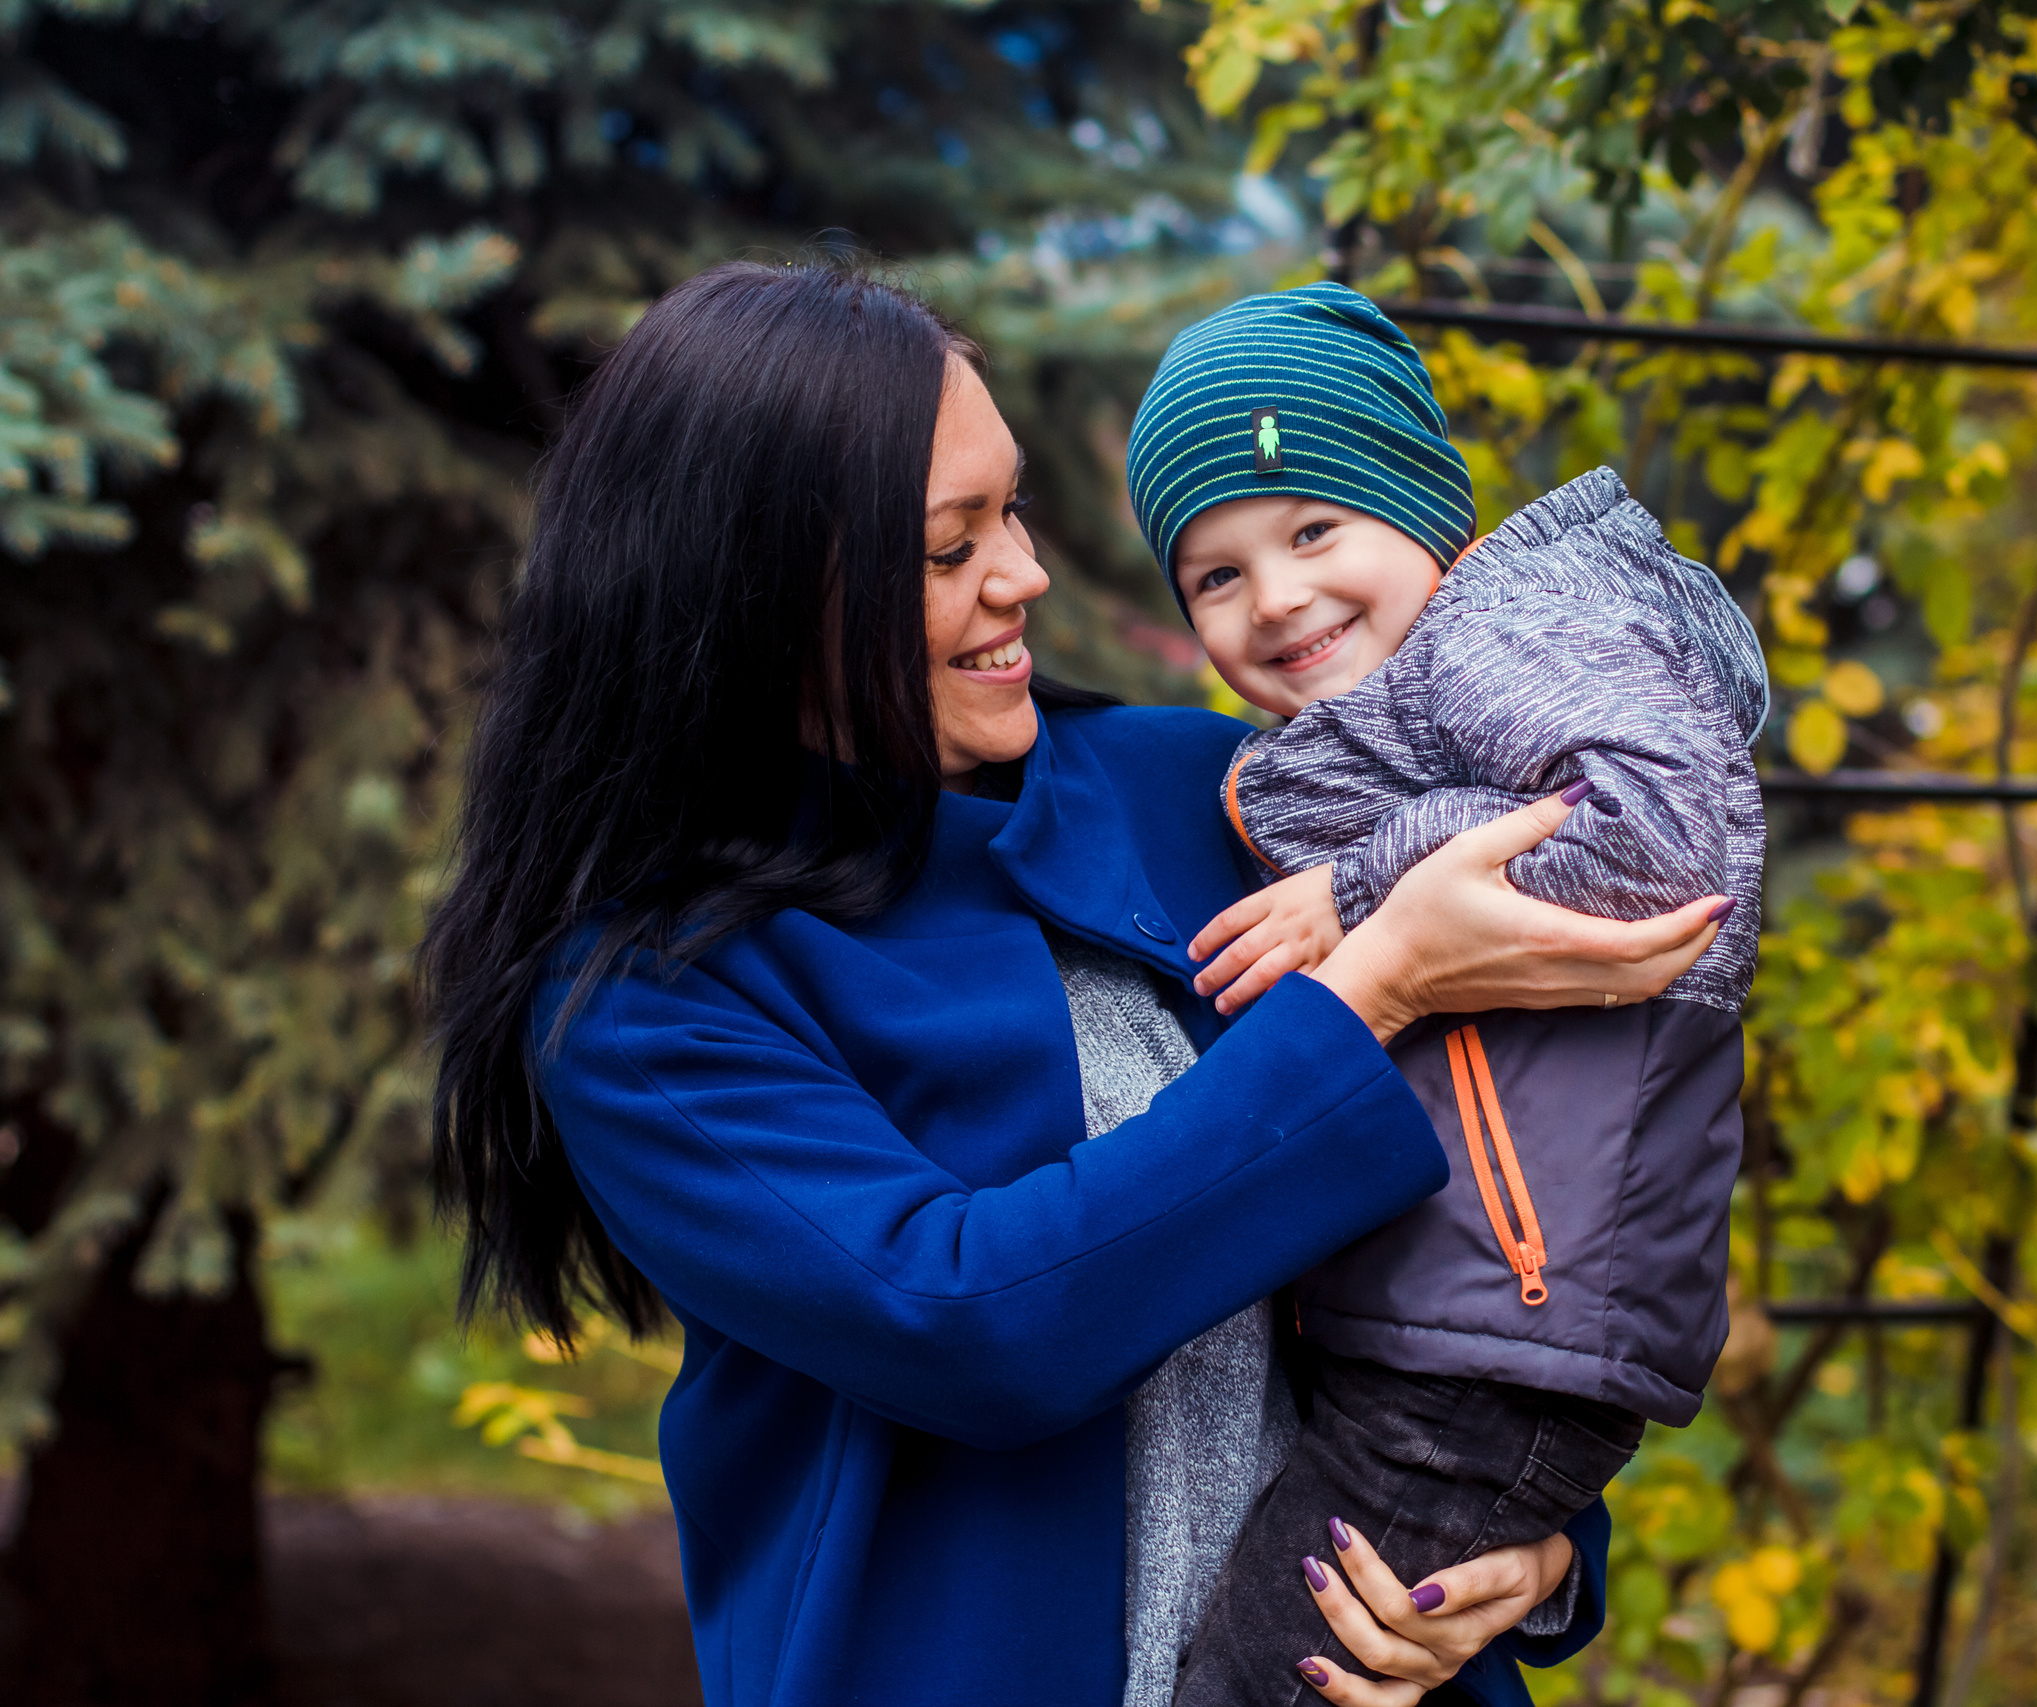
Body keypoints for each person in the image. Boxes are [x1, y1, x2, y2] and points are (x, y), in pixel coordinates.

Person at [417, 260, 1733, 1707]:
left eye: (1013, 510)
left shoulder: (1218, 794)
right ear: (756, 596)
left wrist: (1534, 1553)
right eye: (948, 547)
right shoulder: (649, 1002)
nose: (1024, 575)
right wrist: (1369, 992)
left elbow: (1519, 1160)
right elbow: (965, 1324)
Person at [1121, 283, 1766, 1705]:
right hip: (1469, 1341)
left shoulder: (1506, 633)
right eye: (1215, 575)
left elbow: (1675, 838)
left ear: (1424, 509)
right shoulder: (1408, 702)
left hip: (1494, 1359)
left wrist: (1367, 893)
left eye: (1313, 530)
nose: (1275, 597)